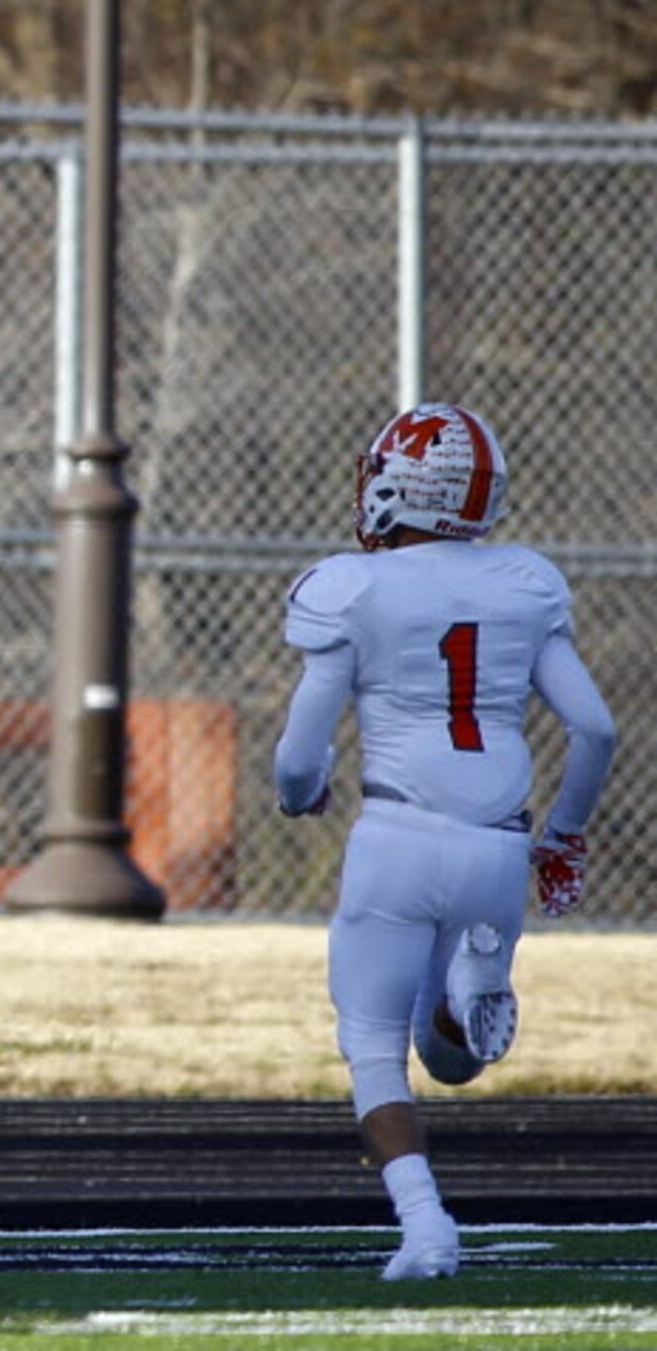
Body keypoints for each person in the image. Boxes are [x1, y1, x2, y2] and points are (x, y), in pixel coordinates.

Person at [275, 402, 615, 1282]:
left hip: (395, 832)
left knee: (372, 1044)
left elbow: (297, 753)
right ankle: (461, 999)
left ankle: (425, 1226)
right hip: (497, 846)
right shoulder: (524, 583)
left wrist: (300, 795)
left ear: (399, 486)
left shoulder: (355, 586)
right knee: (449, 1061)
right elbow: (593, 731)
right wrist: (563, 838)